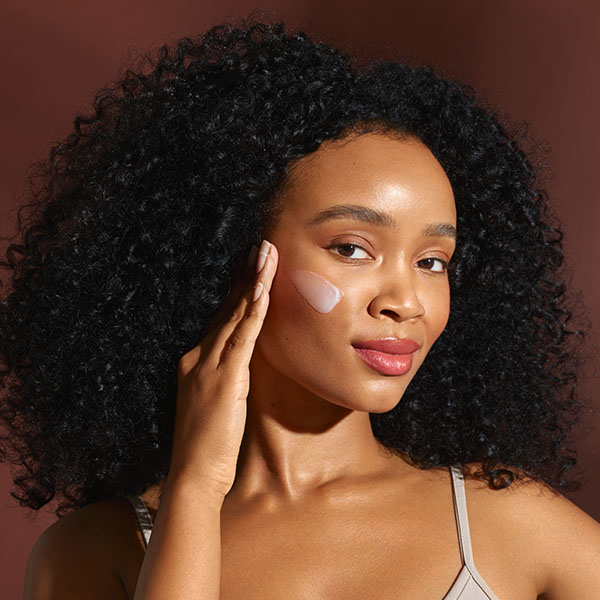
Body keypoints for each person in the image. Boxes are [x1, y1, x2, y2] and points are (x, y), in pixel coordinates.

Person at [1, 16, 599, 600]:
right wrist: (196, 487)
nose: (405, 302)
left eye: (432, 261)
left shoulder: (510, 524)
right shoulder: (93, 553)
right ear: (227, 250)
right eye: (352, 248)